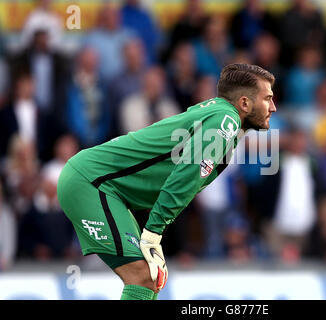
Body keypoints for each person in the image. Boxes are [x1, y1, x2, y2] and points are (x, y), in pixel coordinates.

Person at [57, 63, 277, 300]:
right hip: (91, 183)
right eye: (268, 99)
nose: (273, 107)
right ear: (244, 103)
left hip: (105, 188)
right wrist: (154, 231)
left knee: (152, 278)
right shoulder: (226, 120)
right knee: (142, 276)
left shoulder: (219, 114)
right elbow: (188, 173)